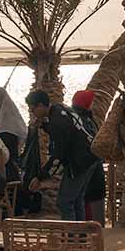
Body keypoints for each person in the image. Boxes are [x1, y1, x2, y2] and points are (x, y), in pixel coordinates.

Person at [28, 89, 100, 222]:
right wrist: (44, 125)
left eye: (33, 110)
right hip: (90, 157)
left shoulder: (57, 121)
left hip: (81, 161)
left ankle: (72, 238)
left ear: (41, 105)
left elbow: (57, 156)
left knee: (65, 202)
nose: (33, 113)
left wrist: (40, 177)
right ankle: (80, 237)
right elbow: (66, 133)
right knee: (77, 200)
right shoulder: (59, 109)